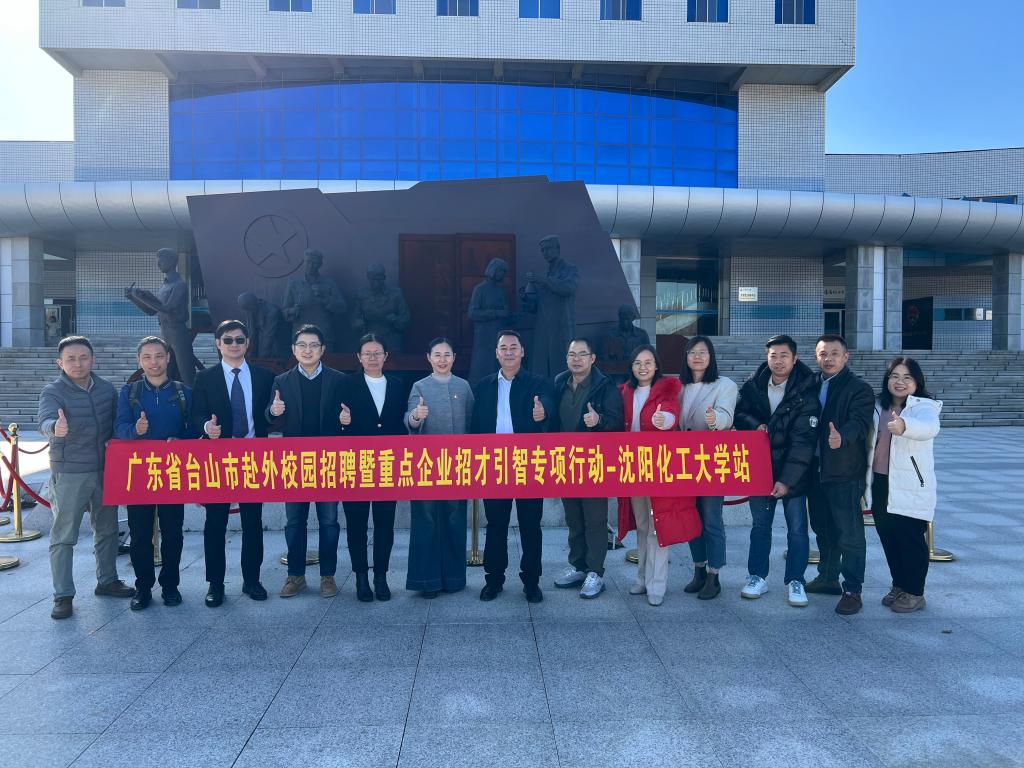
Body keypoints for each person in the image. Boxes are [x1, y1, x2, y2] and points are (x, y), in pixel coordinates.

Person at [38, 336, 134, 620]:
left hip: (106, 470)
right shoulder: (53, 391)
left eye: (83, 358)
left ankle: (107, 581)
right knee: (64, 535)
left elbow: (117, 423)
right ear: (60, 363)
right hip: (70, 471)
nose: (78, 364)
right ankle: (63, 595)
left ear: (93, 359)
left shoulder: (106, 389)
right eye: (71, 359)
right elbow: (45, 421)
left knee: (107, 529)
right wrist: (55, 427)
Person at [191, 320, 275, 607]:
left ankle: (252, 580)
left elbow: (270, 415)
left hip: (253, 457)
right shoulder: (206, 378)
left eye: (240, 339)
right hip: (219, 459)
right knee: (215, 523)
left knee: (253, 522)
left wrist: (276, 413)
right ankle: (215, 584)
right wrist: (206, 427)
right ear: (218, 344)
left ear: (247, 343)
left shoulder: (264, 376)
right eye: (228, 340)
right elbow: (196, 414)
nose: (234, 345)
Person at [733, 335, 819, 608]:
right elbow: (739, 414)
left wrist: (786, 481)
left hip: (794, 474)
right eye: (773, 356)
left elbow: (804, 442)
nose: (778, 361)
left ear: (795, 358)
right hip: (760, 470)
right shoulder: (753, 386)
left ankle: (796, 580)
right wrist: (755, 425)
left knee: (797, 529)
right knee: (760, 527)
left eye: (784, 356)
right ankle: (757, 576)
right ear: (766, 357)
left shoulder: (807, 391)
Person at [470, 330, 555, 603]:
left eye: (513, 347)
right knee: (496, 524)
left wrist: (543, 413)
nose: (509, 352)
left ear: (522, 352)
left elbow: (549, 405)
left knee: (531, 524)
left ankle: (531, 581)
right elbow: (475, 426)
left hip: (528, 463)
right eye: (503, 348)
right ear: (497, 353)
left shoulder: (537, 383)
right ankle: (494, 580)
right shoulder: (483, 386)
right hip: (494, 463)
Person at [114, 336, 195, 611]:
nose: (154, 362)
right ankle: (143, 587)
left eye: (159, 356)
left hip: (172, 471)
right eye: (147, 357)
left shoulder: (183, 392)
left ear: (168, 358)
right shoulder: (130, 392)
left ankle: (171, 586)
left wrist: (182, 439)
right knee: (140, 534)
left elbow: (194, 428)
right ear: (139, 360)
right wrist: (134, 431)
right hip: (139, 472)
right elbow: (119, 427)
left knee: (173, 533)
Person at [616, 344, 700, 606]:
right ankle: (642, 578)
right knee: (642, 526)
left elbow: (669, 413)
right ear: (631, 367)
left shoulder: (667, 388)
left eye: (648, 363)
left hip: (658, 468)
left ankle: (657, 584)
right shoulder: (624, 391)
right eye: (638, 363)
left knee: (658, 527)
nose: (643, 367)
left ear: (656, 366)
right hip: (632, 467)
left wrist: (664, 419)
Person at [266, 325, 346, 599]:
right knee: (294, 521)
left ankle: (327, 576)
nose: (308, 350)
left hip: (328, 461)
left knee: (329, 521)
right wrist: (273, 410)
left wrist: (347, 421)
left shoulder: (338, 380)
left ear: (322, 350)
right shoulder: (282, 381)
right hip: (295, 462)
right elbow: (269, 416)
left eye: (313, 345)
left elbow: (348, 417)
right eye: (302, 345)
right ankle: (295, 576)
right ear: (293, 349)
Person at [805, 334, 875, 615]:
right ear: (816, 357)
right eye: (823, 353)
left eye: (835, 353)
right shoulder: (810, 383)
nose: (829, 358)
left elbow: (859, 423)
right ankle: (827, 576)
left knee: (850, 533)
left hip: (844, 471)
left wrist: (841, 437)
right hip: (814, 470)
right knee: (822, 528)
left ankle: (853, 590)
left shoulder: (858, 388)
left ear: (846, 357)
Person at [865, 357, 941, 613]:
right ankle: (899, 585)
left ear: (917, 382)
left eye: (907, 377)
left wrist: (905, 425)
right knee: (889, 537)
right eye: (895, 376)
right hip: (880, 482)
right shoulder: (878, 405)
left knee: (910, 540)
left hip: (910, 485)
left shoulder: (923, 406)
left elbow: (929, 427)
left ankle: (915, 592)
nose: (900, 382)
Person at [551, 337, 624, 599]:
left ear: (592, 358)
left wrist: (599, 420)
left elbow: (617, 422)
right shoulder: (559, 382)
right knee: (574, 518)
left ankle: (595, 572)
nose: (577, 359)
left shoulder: (605, 386)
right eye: (572, 354)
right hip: (566, 461)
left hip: (594, 462)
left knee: (595, 520)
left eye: (583, 354)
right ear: (566, 358)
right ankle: (579, 566)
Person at [338, 333, 408, 602]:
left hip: (387, 464)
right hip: (355, 464)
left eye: (377, 353)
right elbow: (334, 419)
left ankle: (381, 576)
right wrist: (342, 421)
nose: (372, 358)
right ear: (359, 357)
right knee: (356, 524)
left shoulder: (398, 385)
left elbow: (402, 424)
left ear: (385, 356)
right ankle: (360, 577)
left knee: (384, 524)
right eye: (367, 353)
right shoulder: (346, 384)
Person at [404, 338, 475, 598]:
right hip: (426, 465)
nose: (442, 360)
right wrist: (416, 417)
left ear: (454, 358)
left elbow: (471, 422)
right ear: (429, 357)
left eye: (447, 354)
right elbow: (409, 419)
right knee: (427, 520)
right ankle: (427, 580)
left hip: (457, 464)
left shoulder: (464, 386)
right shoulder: (420, 386)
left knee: (455, 519)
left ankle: (454, 578)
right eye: (437, 354)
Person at [678, 335, 737, 600]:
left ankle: (714, 574)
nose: (698, 357)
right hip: (684, 462)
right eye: (692, 352)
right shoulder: (679, 386)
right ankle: (699, 569)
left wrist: (715, 420)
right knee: (692, 518)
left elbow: (726, 416)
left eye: (703, 352)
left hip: (711, 461)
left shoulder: (725, 384)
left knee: (712, 519)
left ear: (711, 356)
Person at [124, 248, 197, 386]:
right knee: (166, 376)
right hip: (165, 334)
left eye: (161, 261)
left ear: (172, 261)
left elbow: (167, 308)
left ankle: (195, 399)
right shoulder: (164, 286)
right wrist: (133, 298)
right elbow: (151, 311)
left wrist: (145, 297)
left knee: (187, 375)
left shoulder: (179, 285)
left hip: (178, 334)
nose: (158, 264)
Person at [519, 235, 579, 378]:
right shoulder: (546, 272)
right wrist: (527, 298)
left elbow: (569, 288)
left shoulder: (569, 269)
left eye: (548, 249)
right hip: (543, 326)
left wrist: (543, 280)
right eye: (542, 250)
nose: (545, 253)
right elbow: (538, 304)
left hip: (561, 325)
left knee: (561, 364)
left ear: (557, 248)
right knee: (541, 365)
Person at [282, 248, 347, 347]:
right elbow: (284, 311)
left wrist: (325, 297)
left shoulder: (329, 283)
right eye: (308, 262)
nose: (310, 266)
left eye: (314, 263)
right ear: (303, 262)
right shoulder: (294, 283)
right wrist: (292, 311)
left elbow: (342, 307)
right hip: (301, 336)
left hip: (323, 336)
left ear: (320, 264)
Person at [468, 258, 516, 385]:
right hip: (483, 337)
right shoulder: (479, 289)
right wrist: (495, 313)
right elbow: (472, 313)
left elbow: (505, 313)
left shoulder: (501, 292)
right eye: (500, 270)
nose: (502, 274)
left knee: (496, 366)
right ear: (493, 270)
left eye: (504, 272)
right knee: (481, 367)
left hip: (498, 336)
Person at [352, 263, 411, 352]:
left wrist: (395, 320)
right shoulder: (361, 294)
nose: (376, 283)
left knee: (392, 358)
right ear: (368, 277)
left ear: (384, 277)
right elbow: (354, 317)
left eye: (379, 279)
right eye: (373, 279)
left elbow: (406, 318)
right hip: (369, 336)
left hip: (391, 336)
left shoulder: (396, 294)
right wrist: (358, 323)